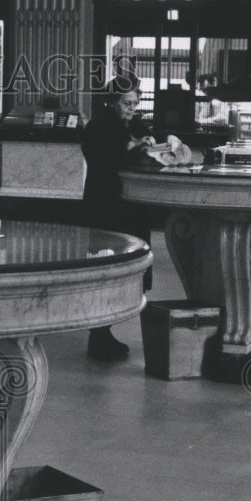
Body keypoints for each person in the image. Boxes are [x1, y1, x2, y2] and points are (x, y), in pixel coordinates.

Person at [80, 78, 157, 361]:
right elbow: (106, 159)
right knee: (105, 269)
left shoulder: (133, 126)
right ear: (111, 102)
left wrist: (148, 143)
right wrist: (136, 146)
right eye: (127, 103)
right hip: (105, 208)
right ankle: (98, 334)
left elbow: (141, 141)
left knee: (129, 269)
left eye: (136, 104)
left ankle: (105, 332)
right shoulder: (97, 128)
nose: (132, 109)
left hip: (129, 208)